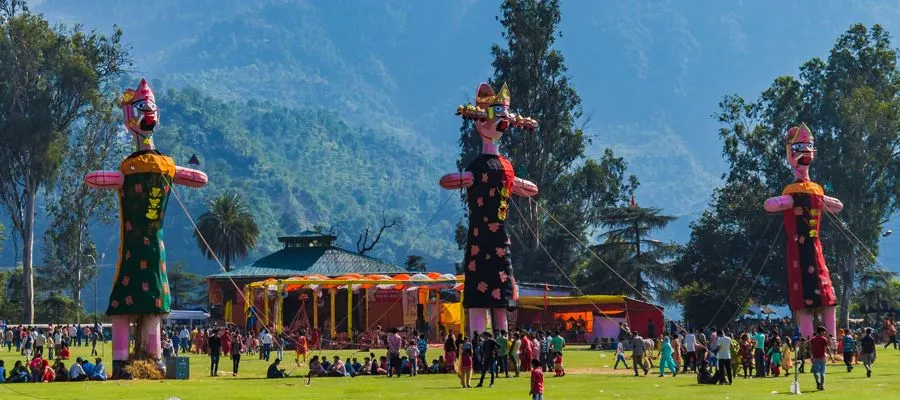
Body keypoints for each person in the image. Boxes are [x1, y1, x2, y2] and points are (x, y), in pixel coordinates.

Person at [810, 326, 831, 391]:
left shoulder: (813, 339)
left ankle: (818, 383)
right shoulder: (824, 339)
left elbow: (810, 348)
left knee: (815, 372)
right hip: (822, 357)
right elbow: (827, 348)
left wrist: (811, 356)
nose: (824, 332)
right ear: (821, 331)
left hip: (815, 357)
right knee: (822, 372)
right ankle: (822, 385)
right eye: (824, 331)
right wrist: (831, 357)